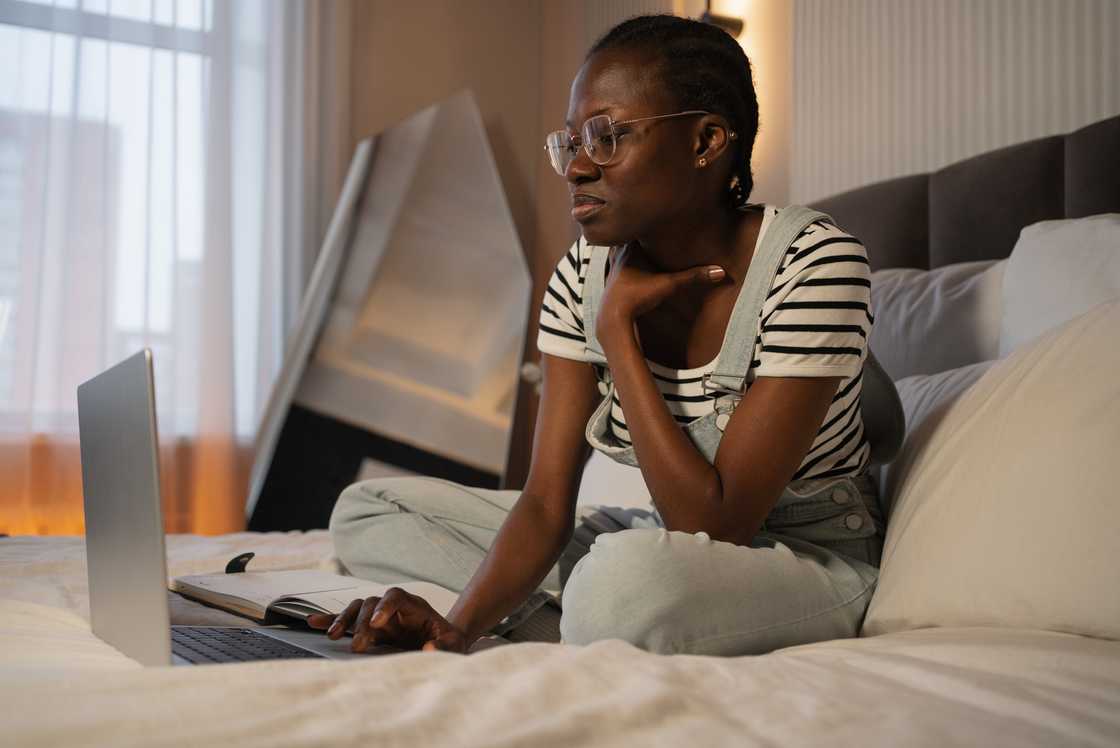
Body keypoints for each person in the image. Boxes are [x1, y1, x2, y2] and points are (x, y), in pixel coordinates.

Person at [307, 14, 886, 656]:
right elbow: (545, 503)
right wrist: (457, 630)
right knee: (369, 511)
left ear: (707, 140)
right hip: (664, 541)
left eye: (607, 136)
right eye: (572, 142)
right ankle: (599, 617)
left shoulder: (814, 263)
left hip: (802, 556)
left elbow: (717, 525)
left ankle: (600, 612)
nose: (576, 168)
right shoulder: (581, 273)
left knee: (618, 586)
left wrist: (617, 332)